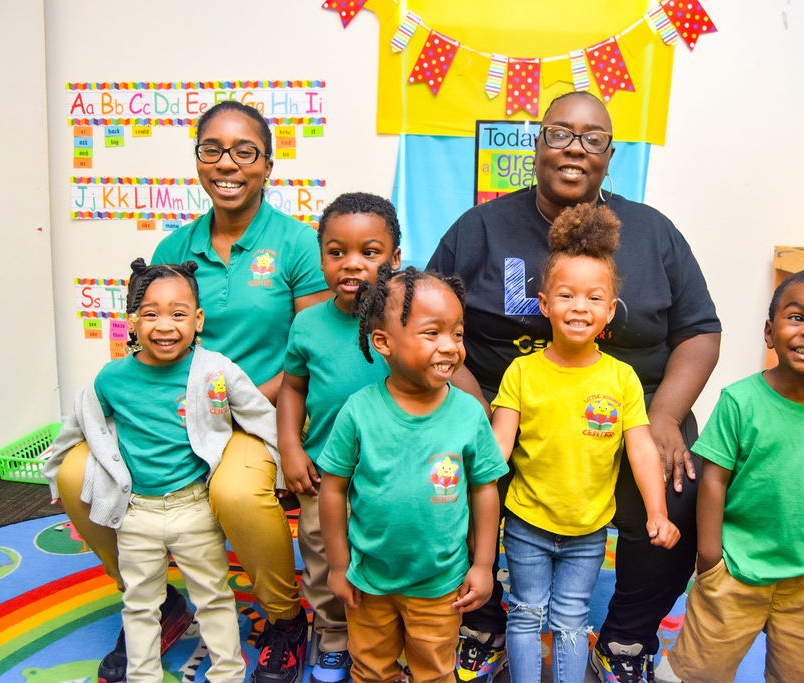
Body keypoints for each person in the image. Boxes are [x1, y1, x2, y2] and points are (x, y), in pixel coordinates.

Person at [427, 90, 721, 682]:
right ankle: (482, 622)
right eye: (560, 133)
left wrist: (666, 416)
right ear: (537, 146)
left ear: (610, 155)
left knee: (679, 489)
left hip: (633, 406)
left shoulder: (654, 232)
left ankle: (625, 639)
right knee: (443, 477)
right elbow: (429, 321)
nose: (575, 148)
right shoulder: (480, 228)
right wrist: (471, 406)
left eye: (592, 139)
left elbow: (699, 330)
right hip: (503, 402)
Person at [54, 100, 329, 683]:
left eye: (245, 152)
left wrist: (228, 404)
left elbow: (312, 349)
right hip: (171, 414)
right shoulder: (173, 249)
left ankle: (285, 619)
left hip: (258, 412)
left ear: (268, 164)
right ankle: (155, 602)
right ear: (198, 159)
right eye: (212, 150)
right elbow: (148, 343)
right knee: (75, 474)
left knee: (234, 491)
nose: (227, 164)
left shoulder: (299, 244)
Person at [44, 259, 280, 682]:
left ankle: (227, 674)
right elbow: (79, 424)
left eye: (178, 313)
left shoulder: (215, 370)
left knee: (214, 598)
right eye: (150, 314)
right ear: (133, 322)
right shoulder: (112, 378)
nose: (165, 326)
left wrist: (284, 468)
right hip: (136, 513)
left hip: (194, 508)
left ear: (198, 320)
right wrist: (54, 473)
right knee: (139, 604)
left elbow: (261, 416)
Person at [491, 204, 680, 683]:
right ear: (544, 304)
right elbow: (498, 447)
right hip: (528, 521)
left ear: (610, 310)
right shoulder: (521, 372)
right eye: (566, 295)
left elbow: (641, 449)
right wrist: (468, 499)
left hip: (589, 529)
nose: (580, 307)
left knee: (572, 619)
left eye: (594, 298)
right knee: (526, 612)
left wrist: (657, 512)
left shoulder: (622, 378)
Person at [668, 268, 804, 682]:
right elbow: (713, 481)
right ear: (769, 332)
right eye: (797, 317)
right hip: (734, 573)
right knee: (700, 673)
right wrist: (710, 560)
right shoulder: (739, 401)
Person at [317, 265, 508, 683]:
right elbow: (331, 490)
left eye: (457, 333)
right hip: (369, 580)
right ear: (383, 342)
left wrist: (483, 564)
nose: (450, 347)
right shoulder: (358, 411)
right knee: (370, 669)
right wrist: (337, 564)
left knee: (435, 671)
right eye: (432, 333)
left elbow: (485, 490)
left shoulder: (469, 414)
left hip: (440, 585)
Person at [277, 192, 402, 682]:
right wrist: (291, 448)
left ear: (394, 258)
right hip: (326, 473)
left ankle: (393, 634)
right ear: (321, 258)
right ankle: (332, 634)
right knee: (323, 556)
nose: (352, 264)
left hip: (393, 474)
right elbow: (293, 387)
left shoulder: (406, 320)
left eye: (369, 252)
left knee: (389, 556)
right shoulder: (307, 324)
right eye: (336, 252)